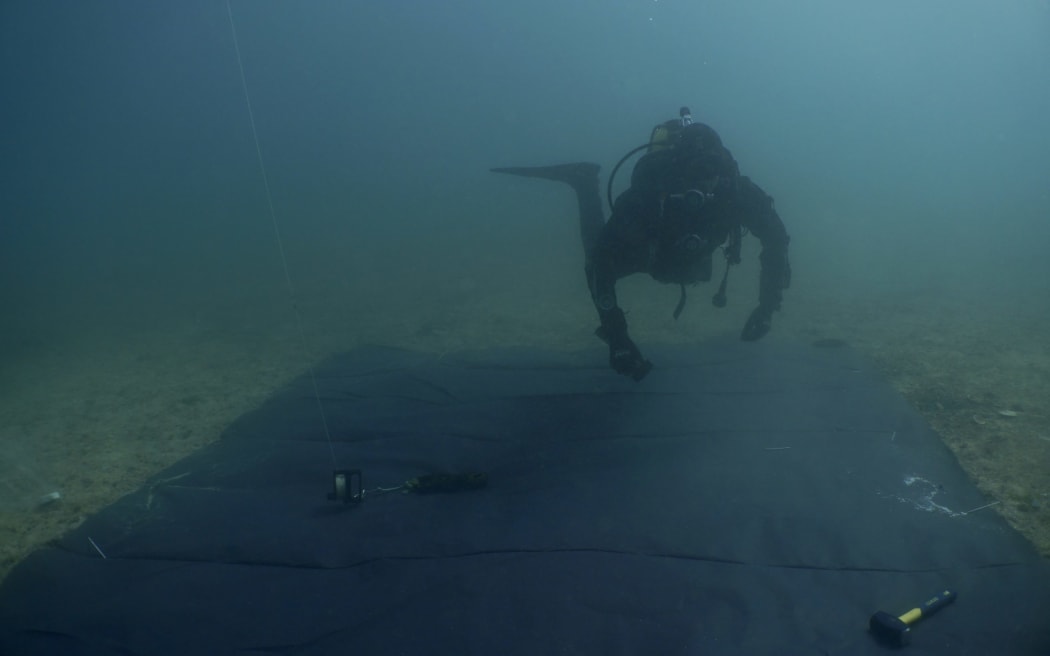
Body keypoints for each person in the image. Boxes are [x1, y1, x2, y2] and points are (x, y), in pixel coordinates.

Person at [492, 107, 791, 381]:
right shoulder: (650, 193)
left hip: (690, 259)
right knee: (597, 252)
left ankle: (584, 182)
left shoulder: (737, 193)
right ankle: (584, 183)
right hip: (651, 251)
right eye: (695, 171)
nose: (703, 183)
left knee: (688, 273)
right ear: (678, 168)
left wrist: (768, 305)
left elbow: (777, 239)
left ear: (725, 170)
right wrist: (617, 335)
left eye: (712, 171)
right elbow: (601, 263)